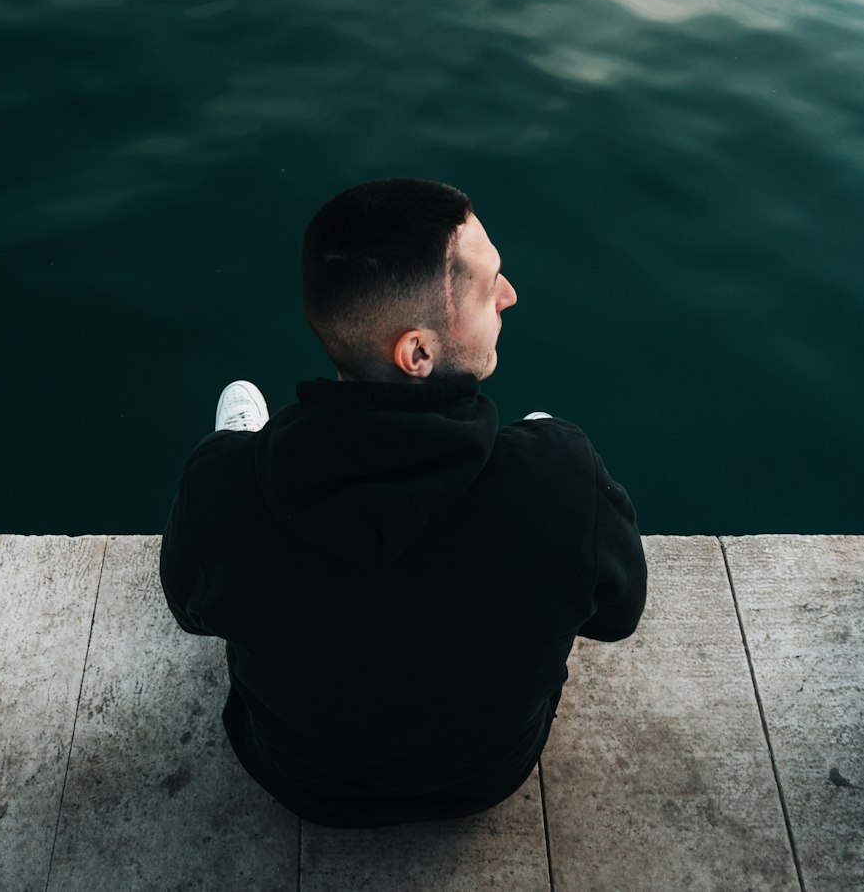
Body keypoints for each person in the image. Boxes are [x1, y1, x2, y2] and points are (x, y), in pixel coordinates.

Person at [159, 177, 647, 828]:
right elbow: (618, 616)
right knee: (550, 445)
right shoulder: (563, 481)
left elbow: (190, 612)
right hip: (485, 776)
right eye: (489, 287)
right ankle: (537, 433)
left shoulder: (216, 489)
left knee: (233, 478)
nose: (510, 294)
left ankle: (247, 439)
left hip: (303, 780)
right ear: (417, 351)